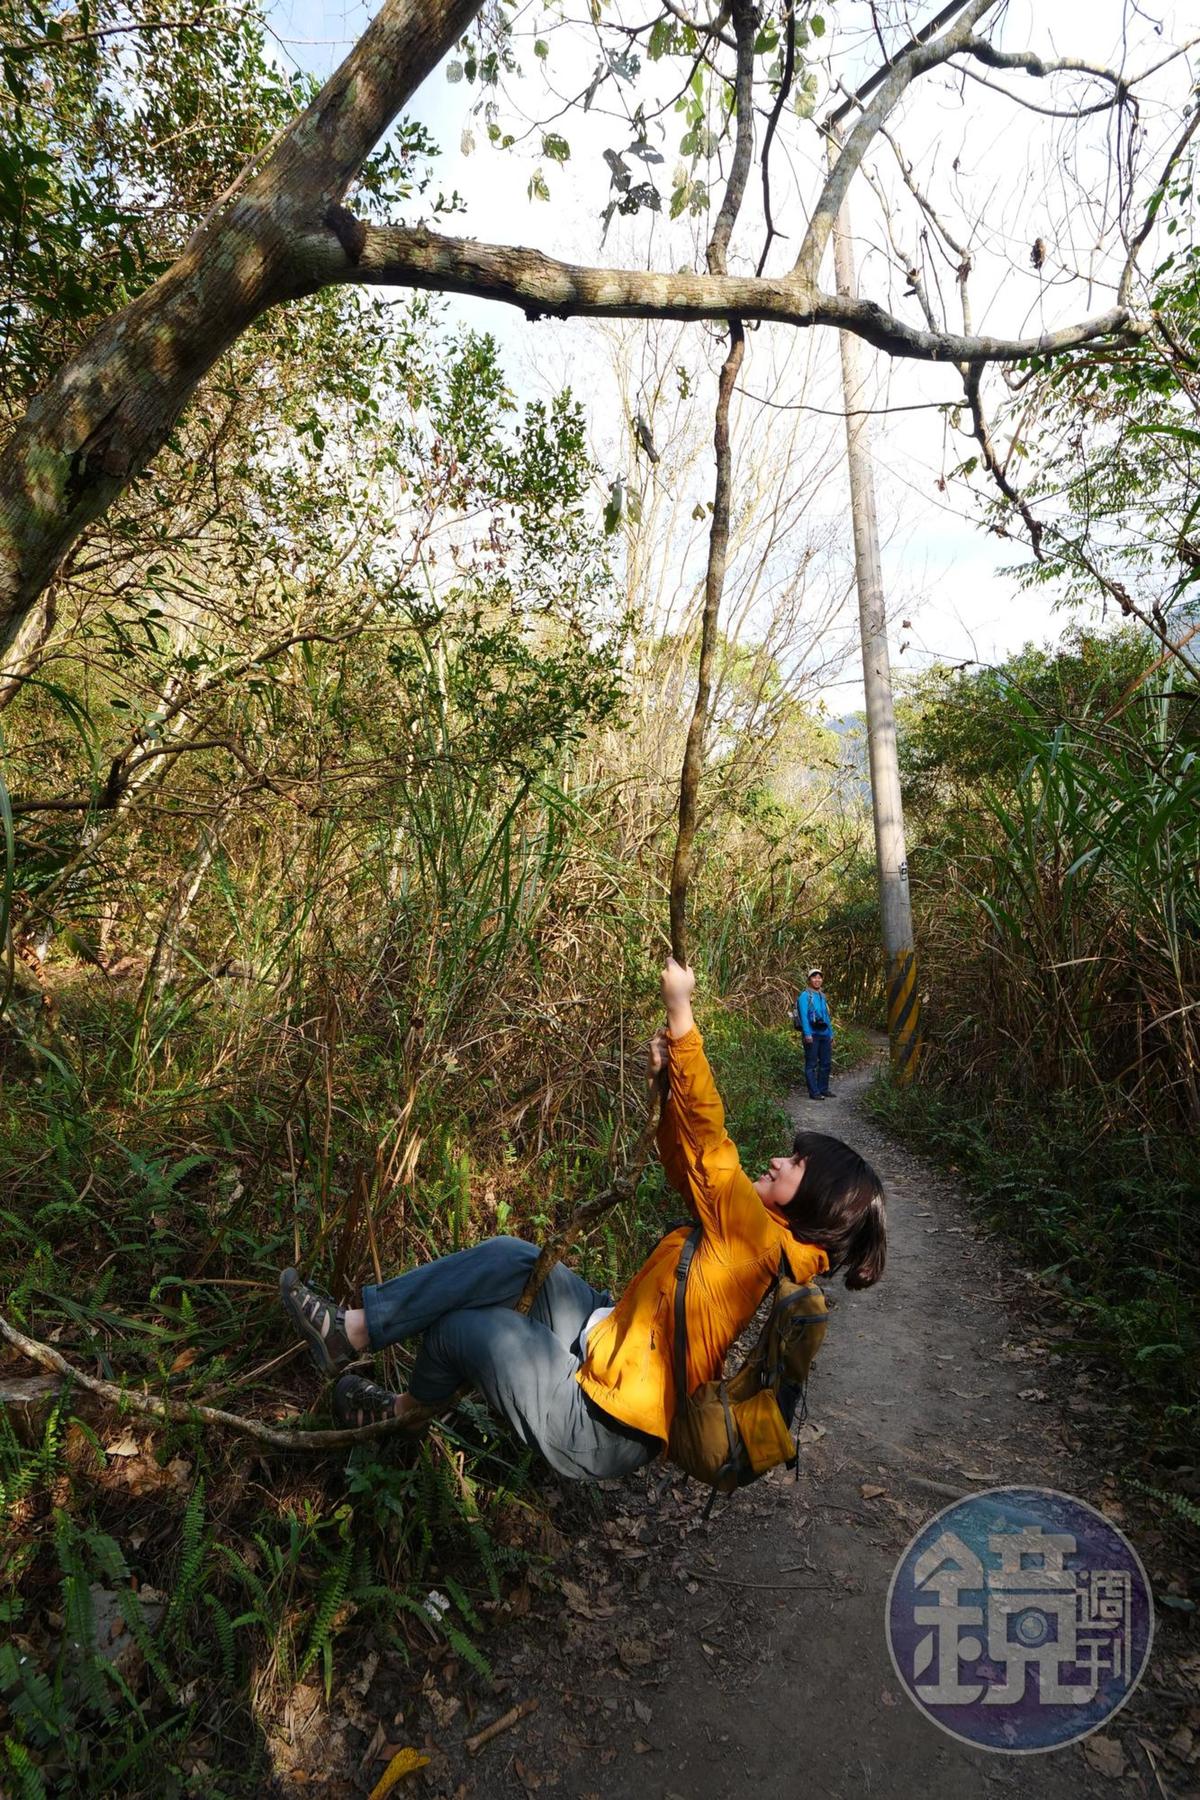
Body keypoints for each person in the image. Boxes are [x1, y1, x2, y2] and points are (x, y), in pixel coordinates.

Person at [280, 958, 886, 1482]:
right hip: (608, 1340)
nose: (780, 1159)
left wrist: (682, 1015)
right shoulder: (756, 1235)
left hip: (604, 1422)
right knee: (510, 1259)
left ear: (820, 1201)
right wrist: (666, 1088)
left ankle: (398, 1416)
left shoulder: (757, 1240)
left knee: (464, 1332)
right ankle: (352, 1331)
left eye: (797, 1163)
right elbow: (688, 1168)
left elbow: (711, 1146)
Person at [795, 965, 834, 1101]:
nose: (817, 980)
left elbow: (826, 1016)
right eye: (814, 977)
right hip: (812, 1034)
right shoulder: (804, 996)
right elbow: (804, 1016)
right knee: (811, 1064)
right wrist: (807, 1033)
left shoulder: (822, 995)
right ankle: (814, 1092)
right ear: (809, 980)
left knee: (826, 1063)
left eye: (819, 977)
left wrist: (831, 1034)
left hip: (824, 1034)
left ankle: (823, 1089)